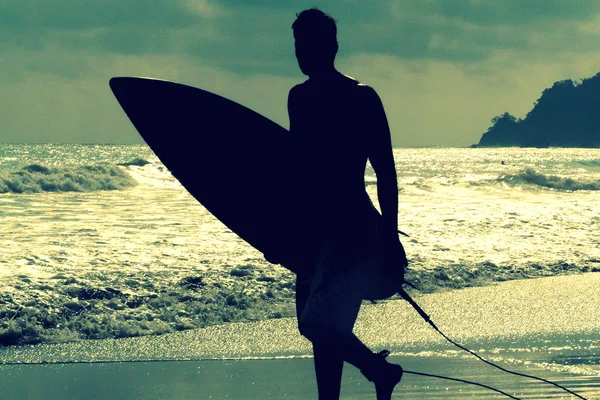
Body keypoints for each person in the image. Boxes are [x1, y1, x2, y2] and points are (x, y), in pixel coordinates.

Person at [286, 8, 406, 400]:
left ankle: (373, 372)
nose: (301, 52)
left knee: (323, 324)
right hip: (312, 228)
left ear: (332, 47)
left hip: (353, 229)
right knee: (315, 326)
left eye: (308, 44)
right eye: (297, 44)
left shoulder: (362, 98)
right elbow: (296, 172)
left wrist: (390, 235)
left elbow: (385, 173)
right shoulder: (298, 98)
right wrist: (279, 233)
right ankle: (376, 372)